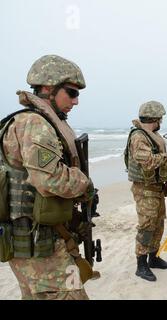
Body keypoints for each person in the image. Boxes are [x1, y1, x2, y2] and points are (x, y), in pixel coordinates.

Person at [0, 55, 94, 300]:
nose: (76, 101)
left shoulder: (25, 121)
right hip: (40, 245)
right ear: (48, 89)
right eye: (71, 93)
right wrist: (84, 183)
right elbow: (50, 180)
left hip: (29, 241)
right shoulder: (35, 123)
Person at [125, 101, 167, 282]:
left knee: (158, 223)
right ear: (155, 118)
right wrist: (165, 157)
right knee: (146, 226)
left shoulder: (152, 135)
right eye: (160, 118)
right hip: (144, 189)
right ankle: (141, 265)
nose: (161, 121)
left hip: (155, 188)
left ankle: (153, 258)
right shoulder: (139, 136)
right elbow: (148, 161)